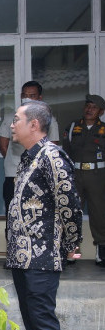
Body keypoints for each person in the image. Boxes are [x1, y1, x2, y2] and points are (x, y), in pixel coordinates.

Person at [3, 100, 82, 330]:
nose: (12, 125)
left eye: (17, 120)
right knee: (32, 320)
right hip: (22, 254)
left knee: (44, 322)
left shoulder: (53, 155)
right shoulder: (27, 157)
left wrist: (72, 243)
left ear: (34, 124)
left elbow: (69, 202)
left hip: (42, 254)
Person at [0, 82, 59, 222]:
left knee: (37, 219)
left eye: (32, 96)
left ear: (39, 98)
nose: (28, 98)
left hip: (39, 176)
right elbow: (3, 146)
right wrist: (19, 163)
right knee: (13, 217)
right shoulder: (11, 118)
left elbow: (53, 147)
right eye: (25, 95)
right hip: (13, 175)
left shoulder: (49, 120)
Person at [62, 94, 105, 266]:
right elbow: (65, 152)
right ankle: (72, 252)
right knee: (72, 212)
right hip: (76, 174)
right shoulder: (73, 127)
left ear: (101, 112)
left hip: (98, 176)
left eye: (94, 107)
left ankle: (101, 251)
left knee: (99, 213)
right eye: (87, 106)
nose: (89, 109)